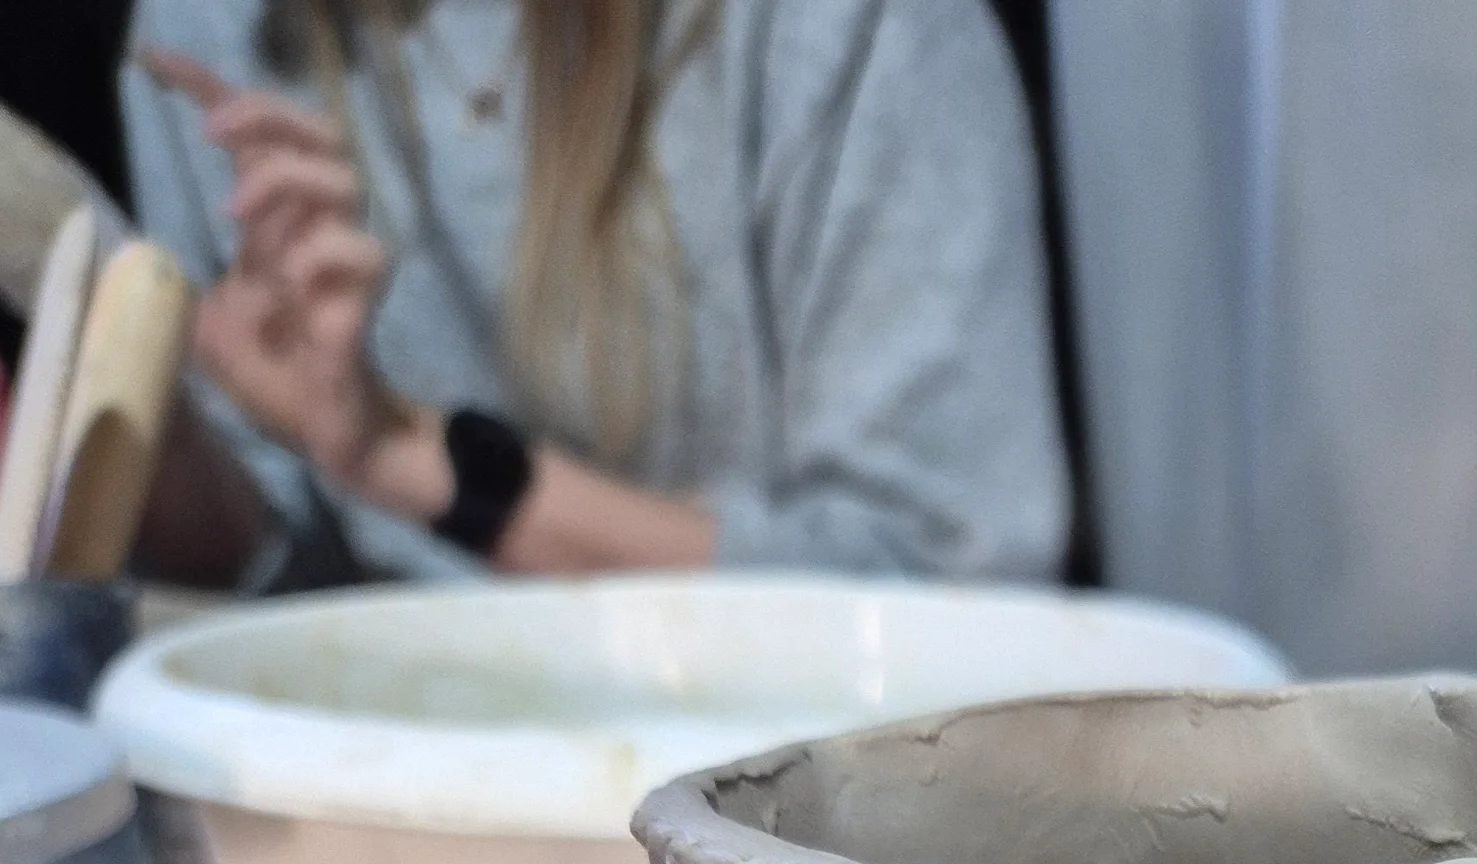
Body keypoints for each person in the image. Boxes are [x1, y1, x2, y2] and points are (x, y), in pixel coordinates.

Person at [124, 0, 1069, 588]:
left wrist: (409, 455)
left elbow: (951, 585)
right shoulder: (209, 31)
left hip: (784, 812)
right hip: (393, 773)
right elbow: (260, 563)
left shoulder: (836, 28)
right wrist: (132, 396)